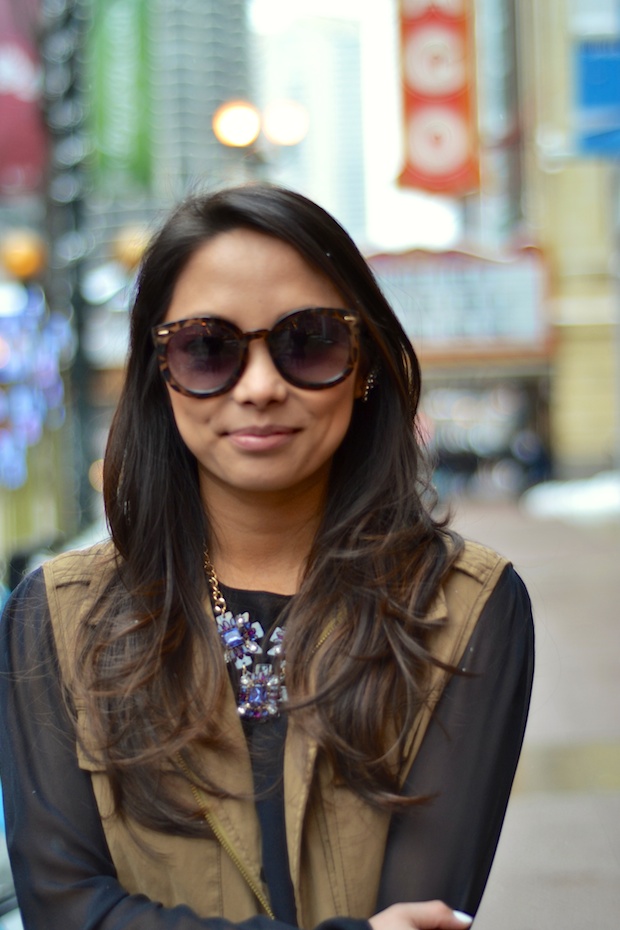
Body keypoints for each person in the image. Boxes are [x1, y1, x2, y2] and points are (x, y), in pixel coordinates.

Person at [0, 185, 534, 930]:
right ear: (161, 371)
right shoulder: (55, 615)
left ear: (364, 363)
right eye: (208, 347)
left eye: (308, 341)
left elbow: (422, 916)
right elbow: (62, 910)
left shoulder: (466, 608)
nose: (259, 388)